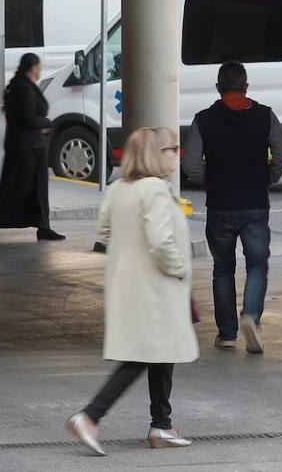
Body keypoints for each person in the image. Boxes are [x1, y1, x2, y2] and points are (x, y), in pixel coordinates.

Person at [65, 128, 198, 456]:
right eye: (170, 149)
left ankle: (162, 425)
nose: (175, 155)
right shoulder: (154, 189)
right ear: (155, 153)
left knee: (159, 353)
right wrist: (180, 267)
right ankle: (91, 416)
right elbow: (160, 240)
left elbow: (105, 232)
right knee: (142, 355)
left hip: (129, 282)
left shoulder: (117, 189)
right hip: (156, 284)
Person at [182, 61, 282, 355]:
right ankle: (251, 318)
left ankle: (227, 334)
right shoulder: (265, 116)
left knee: (223, 268)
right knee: (257, 265)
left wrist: (212, 180)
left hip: (220, 205)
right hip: (255, 203)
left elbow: (191, 164)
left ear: (218, 88)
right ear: (246, 87)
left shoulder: (203, 120)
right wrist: (266, 177)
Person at [0, 53, 66, 242]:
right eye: (39, 67)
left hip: (34, 145)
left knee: (39, 188)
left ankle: (44, 227)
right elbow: (27, 118)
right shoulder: (21, 87)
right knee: (19, 187)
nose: (41, 70)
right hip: (24, 148)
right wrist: (47, 122)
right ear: (32, 67)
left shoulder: (24, 85)